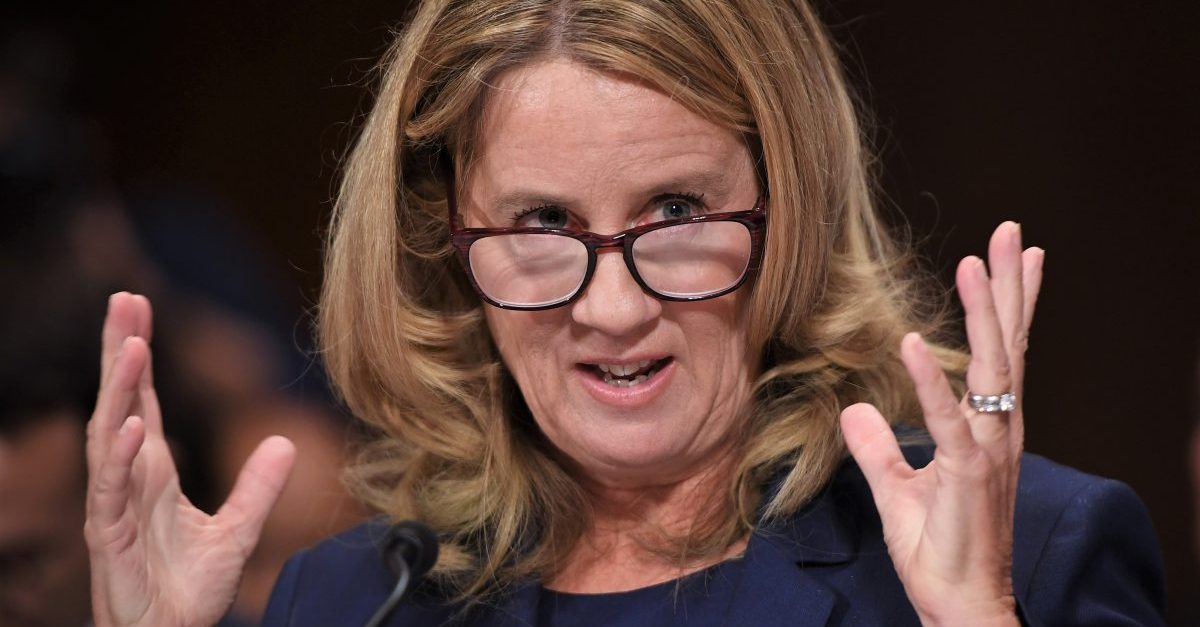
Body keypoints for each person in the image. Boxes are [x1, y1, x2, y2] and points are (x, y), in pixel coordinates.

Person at [83, 1, 1166, 625]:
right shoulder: (351, 601)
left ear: (787, 213)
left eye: (678, 211)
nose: (611, 306)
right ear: (446, 242)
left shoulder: (1034, 556)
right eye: (543, 220)